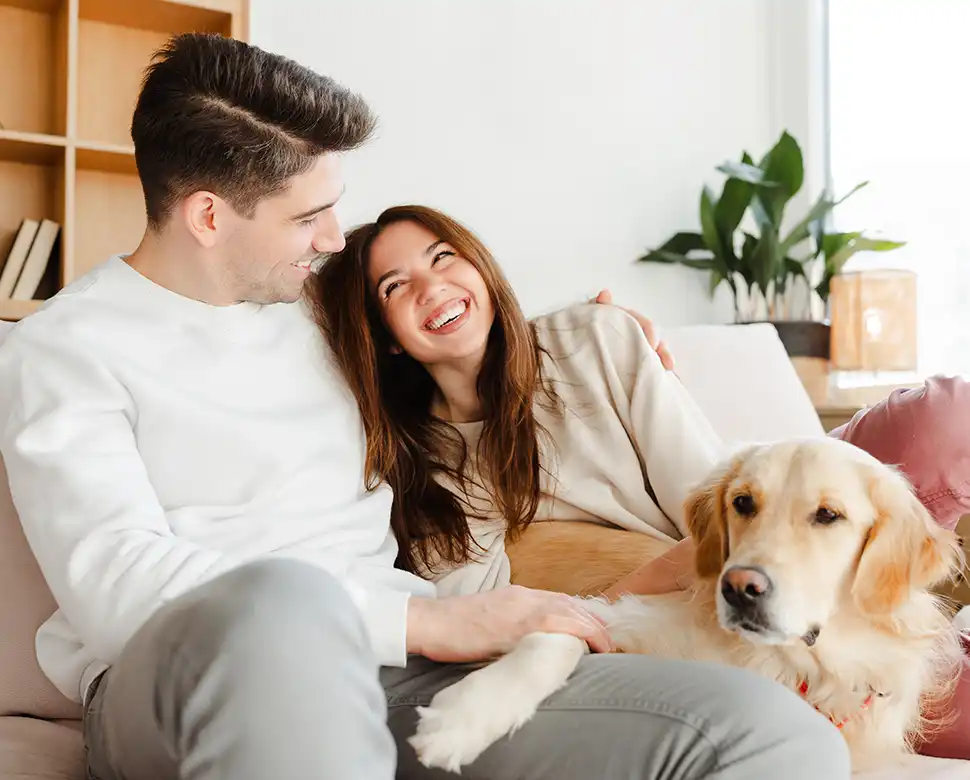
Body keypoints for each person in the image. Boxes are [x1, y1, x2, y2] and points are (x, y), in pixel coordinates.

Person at [0, 33, 853, 780]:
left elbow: (454, 315)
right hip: (186, 678)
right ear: (209, 216)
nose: (337, 238)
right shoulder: (65, 349)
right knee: (283, 605)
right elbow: (116, 585)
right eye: (312, 215)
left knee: (775, 741)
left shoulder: (321, 310)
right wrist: (427, 617)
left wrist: (599, 331)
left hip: (398, 665)